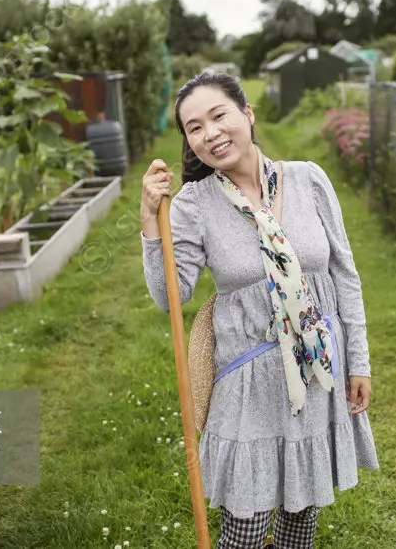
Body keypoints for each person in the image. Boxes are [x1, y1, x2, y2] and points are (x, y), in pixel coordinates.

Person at [140, 72, 379, 549]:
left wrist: (359, 362)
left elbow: (344, 276)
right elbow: (171, 296)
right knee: (244, 532)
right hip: (247, 383)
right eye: (194, 127)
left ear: (247, 114)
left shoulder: (310, 179)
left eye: (218, 115)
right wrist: (151, 221)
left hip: (316, 373)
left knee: (300, 522)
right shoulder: (194, 204)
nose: (210, 133)